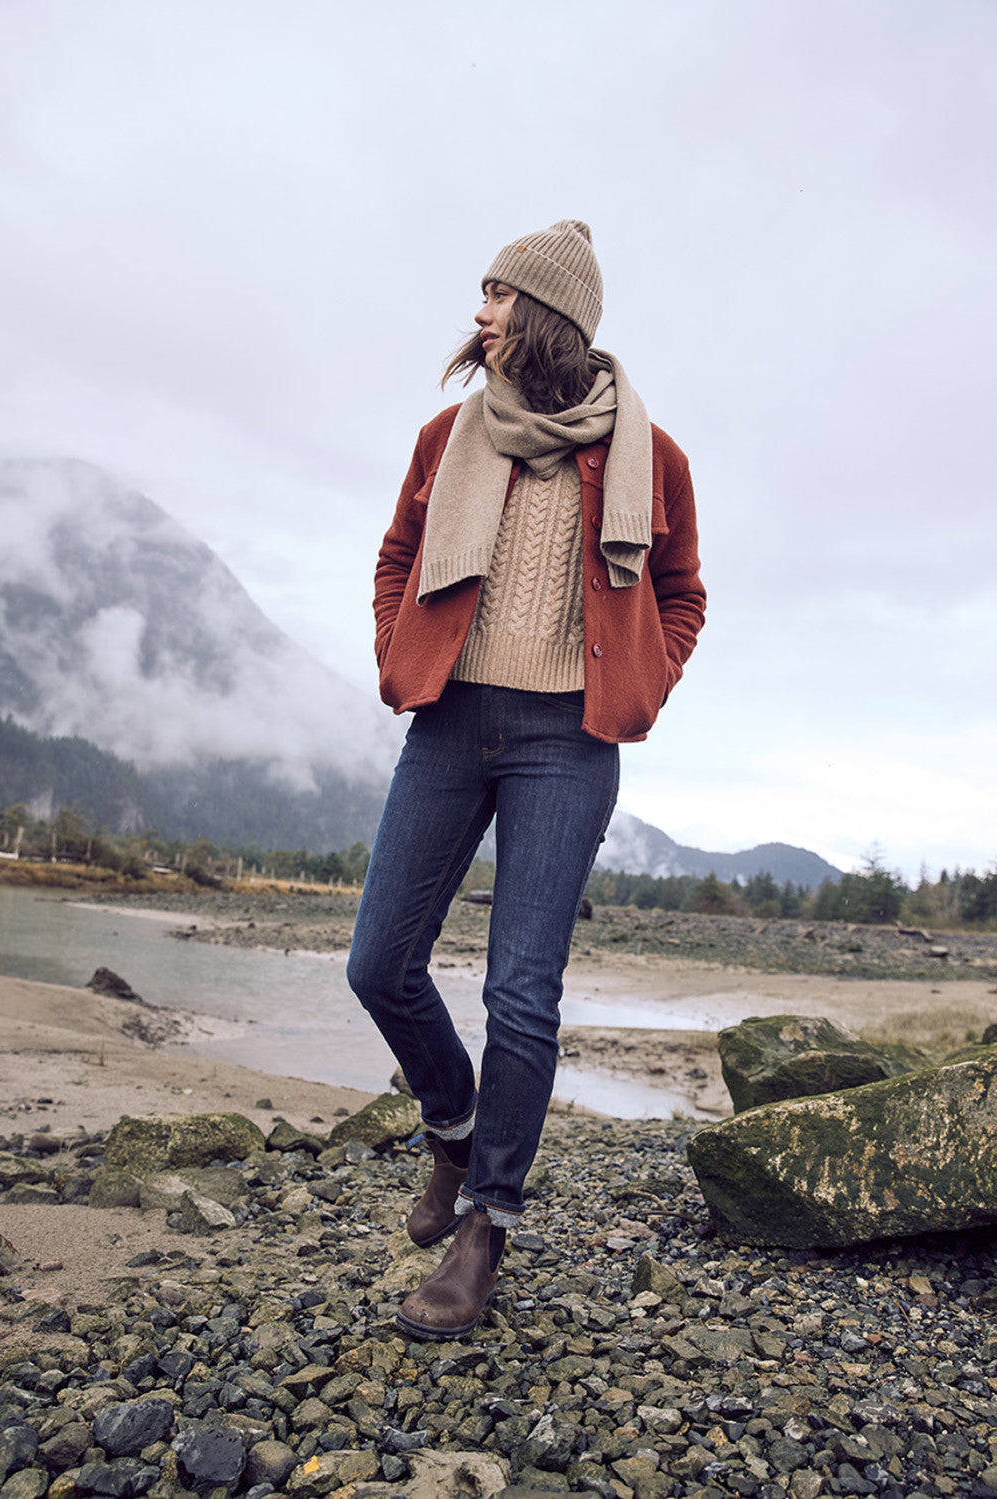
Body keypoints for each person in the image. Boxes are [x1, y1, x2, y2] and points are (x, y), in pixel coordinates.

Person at [347, 219, 705, 1340]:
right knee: (378, 962)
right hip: (450, 720)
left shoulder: (653, 458)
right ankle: (452, 1128)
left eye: (500, 294)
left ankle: (486, 1225)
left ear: (549, 314)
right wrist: (394, 647)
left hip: (568, 738)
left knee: (521, 993)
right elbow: (396, 557)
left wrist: (646, 678)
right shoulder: (445, 437)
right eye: (483, 292)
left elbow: (683, 592)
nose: (481, 311)